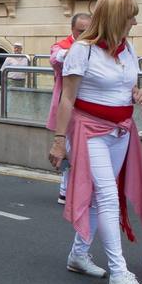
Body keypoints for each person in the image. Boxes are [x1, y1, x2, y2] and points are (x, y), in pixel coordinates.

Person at [50, 0, 142, 284]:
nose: (135, 22)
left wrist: (139, 91)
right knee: (108, 195)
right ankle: (119, 272)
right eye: (130, 16)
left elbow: (127, 83)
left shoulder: (127, 50)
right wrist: (59, 141)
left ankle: (78, 254)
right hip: (88, 131)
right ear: (116, 19)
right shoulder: (83, 50)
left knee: (99, 197)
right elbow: (67, 98)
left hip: (121, 131)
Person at [48, 13, 92, 205]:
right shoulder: (62, 46)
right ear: (72, 30)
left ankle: (80, 189)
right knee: (66, 149)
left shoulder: (96, 46)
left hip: (89, 106)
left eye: (88, 30)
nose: (84, 34)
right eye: (80, 31)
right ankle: (65, 189)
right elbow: (55, 59)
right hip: (67, 105)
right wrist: (74, 51)